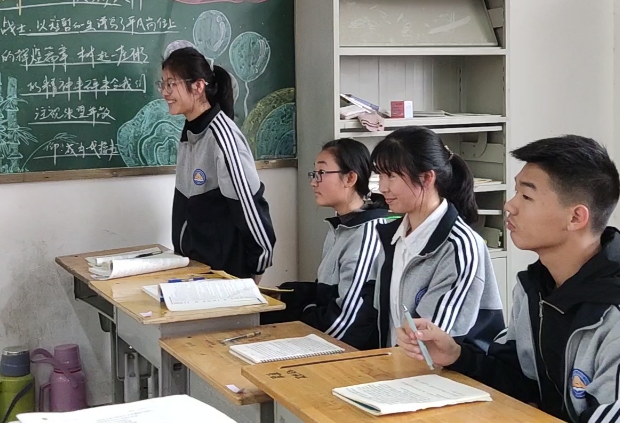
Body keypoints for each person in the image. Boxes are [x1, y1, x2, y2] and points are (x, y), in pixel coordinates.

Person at [397, 135, 620, 422]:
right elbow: (518, 380)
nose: (509, 205)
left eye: (527, 196)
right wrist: (457, 355)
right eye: (516, 192)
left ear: (576, 218)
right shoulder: (535, 290)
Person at [370, 126, 504, 351]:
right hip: (396, 366)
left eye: (391, 176)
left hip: (442, 377)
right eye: (380, 175)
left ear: (426, 178)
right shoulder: (392, 236)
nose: (382, 187)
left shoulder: (459, 247)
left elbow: (430, 343)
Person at [262, 139, 391, 350]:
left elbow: (347, 324)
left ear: (350, 178)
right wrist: (284, 294)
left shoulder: (367, 233)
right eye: (314, 174)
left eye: (321, 173)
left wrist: (298, 318)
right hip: (325, 339)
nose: (313, 182)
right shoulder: (341, 226)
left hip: (346, 355)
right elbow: (329, 292)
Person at [162, 46, 275, 280]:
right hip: (196, 271)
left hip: (226, 278)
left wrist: (256, 270)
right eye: (162, 84)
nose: (165, 92)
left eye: (171, 84)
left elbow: (250, 207)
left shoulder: (223, 137)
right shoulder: (190, 135)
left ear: (198, 86)